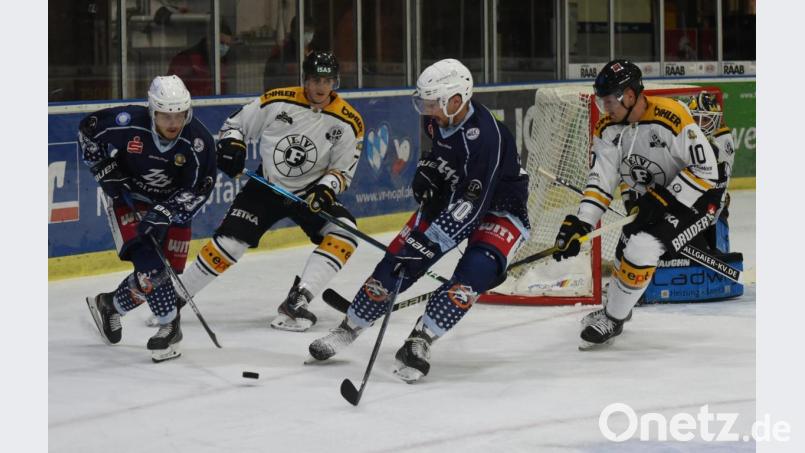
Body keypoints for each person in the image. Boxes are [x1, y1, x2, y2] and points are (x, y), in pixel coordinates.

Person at [307, 58, 531, 383]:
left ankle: (421, 339)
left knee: (472, 275)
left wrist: (429, 242)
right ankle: (348, 328)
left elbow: (472, 204)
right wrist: (429, 169)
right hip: (451, 197)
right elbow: (439, 152)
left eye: (433, 102)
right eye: (424, 102)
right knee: (396, 263)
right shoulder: (435, 119)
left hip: (500, 208)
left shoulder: (486, 138)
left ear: (457, 99)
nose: (428, 110)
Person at [178, 51, 365, 332]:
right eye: (314, 79)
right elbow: (235, 125)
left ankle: (298, 299)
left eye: (326, 80)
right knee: (230, 244)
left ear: (335, 82)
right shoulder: (277, 100)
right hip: (265, 187)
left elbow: (342, 171)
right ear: (304, 78)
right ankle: (173, 298)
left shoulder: (349, 121)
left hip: (308, 194)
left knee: (346, 233)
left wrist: (326, 191)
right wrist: (232, 146)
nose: (320, 87)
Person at [553, 60, 726, 349]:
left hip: (699, 196)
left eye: (609, 100)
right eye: (602, 100)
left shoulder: (672, 116)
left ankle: (613, 318)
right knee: (623, 257)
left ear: (630, 96)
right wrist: (582, 221)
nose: (604, 107)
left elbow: (707, 170)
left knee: (642, 247)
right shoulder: (607, 128)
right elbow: (601, 180)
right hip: (653, 199)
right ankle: (622, 306)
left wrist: (665, 200)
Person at [80, 75, 217, 362]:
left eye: (179, 114)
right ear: (152, 110)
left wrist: (167, 212)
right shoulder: (127, 121)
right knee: (148, 261)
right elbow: (88, 130)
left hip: (173, 203)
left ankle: (110, 305)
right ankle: (170, 326)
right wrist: (103, 168)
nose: (173, 122)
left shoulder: (199, 141)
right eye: (166, 115)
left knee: (164, 273)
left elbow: (200, 188)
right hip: (129, 197)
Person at [167, 22, 234, 96]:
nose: (224, 47)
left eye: (227, 44)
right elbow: (172, 90)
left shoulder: (223, 62)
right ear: (209, 40)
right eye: (221, 42)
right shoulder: (187, 59)